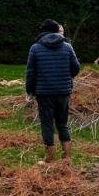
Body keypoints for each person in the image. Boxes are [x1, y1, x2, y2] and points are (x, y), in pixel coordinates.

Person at [25, 19, 81, 163]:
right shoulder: (67, 47)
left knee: (47, 124)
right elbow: (76, 68)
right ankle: (67, 157)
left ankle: (50, 158)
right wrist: (65, 78)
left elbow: (31, 72)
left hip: (44, 93)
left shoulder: (35, 48)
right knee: (62, 123)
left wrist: (29, 91)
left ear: (42, 31)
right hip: (63, 91)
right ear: (57, 30)